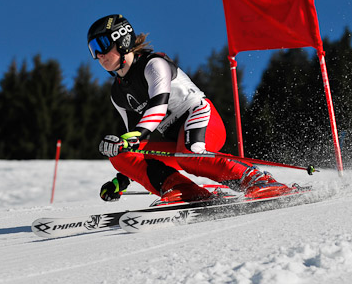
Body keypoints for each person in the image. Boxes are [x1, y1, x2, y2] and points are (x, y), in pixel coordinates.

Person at [87, 14, 291, 203]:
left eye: (101, 45)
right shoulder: (118, 94)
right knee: (119, 152)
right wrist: (122, 180)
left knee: (189, 155)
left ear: (122, 39)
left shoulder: (153, 64)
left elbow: (158, 106)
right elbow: (137, 142)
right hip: (174, 141)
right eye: (92, 50)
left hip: (200, 117)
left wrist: (136, 135)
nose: (98, 55)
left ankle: (257, 179)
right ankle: (182, 190)